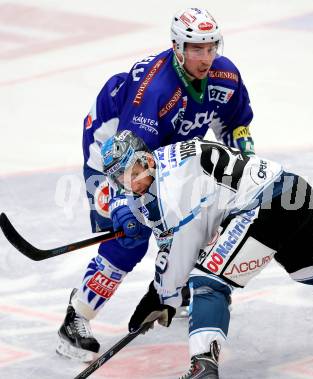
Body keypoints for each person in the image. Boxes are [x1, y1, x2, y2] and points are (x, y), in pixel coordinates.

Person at [101, 130, 313, 379]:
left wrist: (165, 296)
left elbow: (185, 245)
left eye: (132, 171)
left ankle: (203, 366)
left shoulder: (172, 188)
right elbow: (185, 233)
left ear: (147, 160)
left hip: (268, 206)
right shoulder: (168, 162)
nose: (130, 182)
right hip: (296, 192)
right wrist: (160, 290)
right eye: (121, 178)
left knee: (208, 281)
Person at [56, 8, 255, 362]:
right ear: (177, 47)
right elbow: (126, 160)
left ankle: (174, 290)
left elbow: (236, 127)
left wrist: (243, 171)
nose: (205, 57)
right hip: (109, 153)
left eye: (210, 47)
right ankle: (76, 319)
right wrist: (120, 205)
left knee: (198, 218)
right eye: (196, 48)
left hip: (166, 155)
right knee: (129, 236)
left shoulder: (225, 75)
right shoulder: (155, 90)